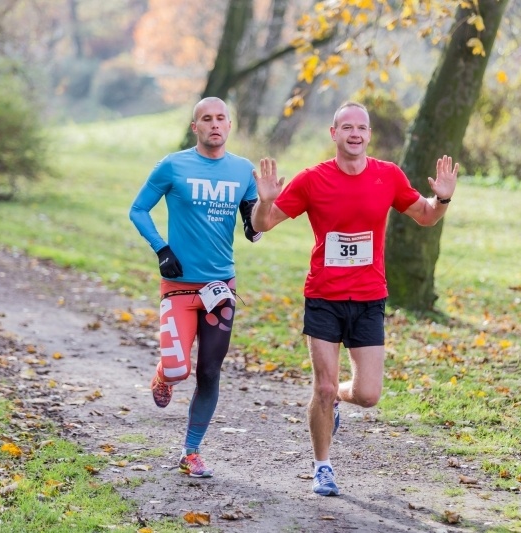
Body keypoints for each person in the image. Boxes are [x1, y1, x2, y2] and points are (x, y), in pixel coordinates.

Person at [251, 101, 458, 496]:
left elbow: (425, 216)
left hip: (368, 298)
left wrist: (442, 200)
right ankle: (323, 467)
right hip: (324, 296)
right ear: (334, 134)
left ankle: (336, 401)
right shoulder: (312, 180)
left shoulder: (388, 175)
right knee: (323, 387)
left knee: (367, 394)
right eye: (347, 127)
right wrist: (264, 201)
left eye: (362, 127)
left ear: (369, 135)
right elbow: (265, 223)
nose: (355, 134)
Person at [129, 97, 262, 479]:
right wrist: (162, 249)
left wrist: (267, 204)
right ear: (196, 127)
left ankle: (191, 451)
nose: (214, 124)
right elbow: (138, 209)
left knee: (209, 372)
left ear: (230, 125)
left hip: (221, 287)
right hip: (178, 287)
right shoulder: (173, 165)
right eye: (207, 119)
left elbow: (254, 230)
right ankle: (163, 375)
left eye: (221, 118)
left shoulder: (243, 170)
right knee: (177, 368)